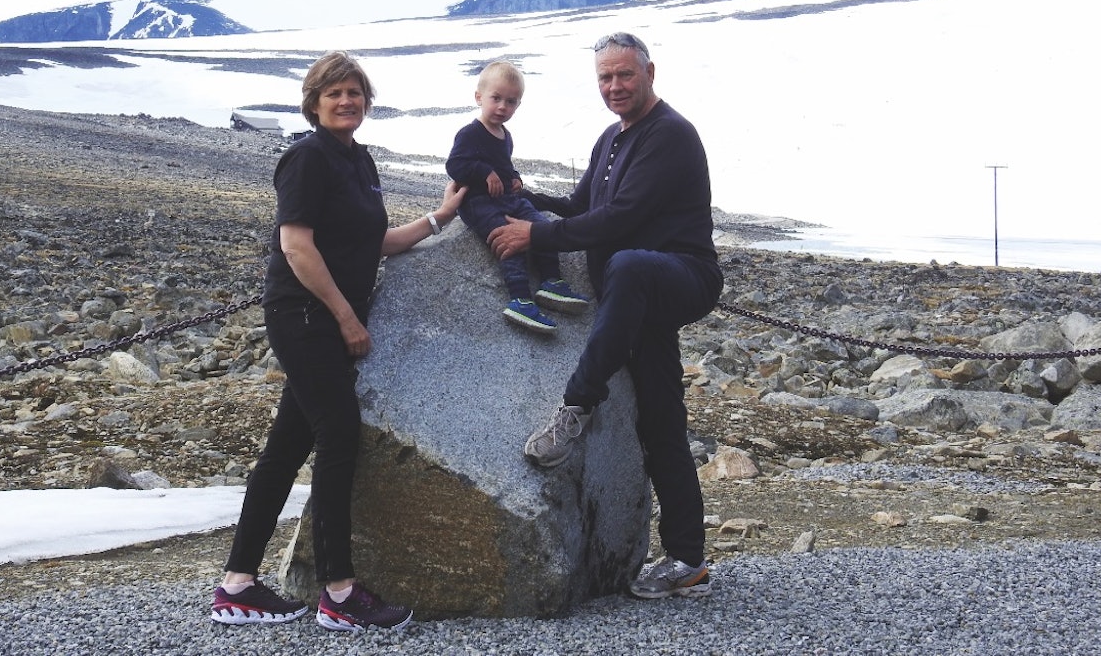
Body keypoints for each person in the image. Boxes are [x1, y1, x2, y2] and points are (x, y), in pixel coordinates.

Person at [210, 51, 466, 631]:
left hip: (324, 316)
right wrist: (347, 318)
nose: (346, 101)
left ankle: (237, 584)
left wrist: (441, 216)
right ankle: (340, 593)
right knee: (338, 434)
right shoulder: (306, 158)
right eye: (335, 94)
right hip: (305, 315)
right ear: (314, 103)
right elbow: (297, 246)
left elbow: (377, 240)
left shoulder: (358, 160)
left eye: (355, 92)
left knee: (285, 449)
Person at [487, 32, 724, 600]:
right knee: (660, 421)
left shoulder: (671, 134)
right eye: (605, 79)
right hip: (636, 297)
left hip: (680, 276)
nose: (614, 87)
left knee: (629, 262)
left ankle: (576, 406)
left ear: (649, 73)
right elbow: (581, 209)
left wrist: (534, 236)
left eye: (624, 75)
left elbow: (621, 217)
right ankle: (688, 558)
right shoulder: (609, 139)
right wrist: (520, 200)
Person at [446, 60, 589, 332]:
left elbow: (504, 163)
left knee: (541, 227)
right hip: (478, 203)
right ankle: (520, 299)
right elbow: (455, 165)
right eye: (496, 98)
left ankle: (551, 283)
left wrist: (514, 178)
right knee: (508, 238)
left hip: (505, 199)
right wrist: (483, 172)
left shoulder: (505, 135)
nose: (502, 107)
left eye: (511, 102)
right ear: (479, 97)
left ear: (518, 105)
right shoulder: (469, 133)